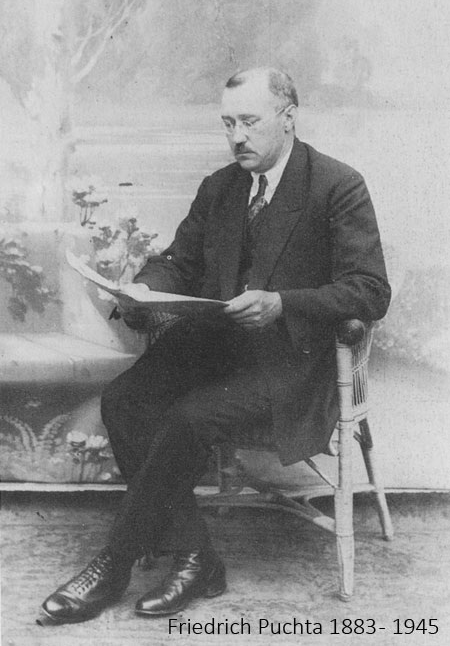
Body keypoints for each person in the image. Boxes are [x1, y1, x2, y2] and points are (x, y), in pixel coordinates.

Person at [41, 67, 390, 624]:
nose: (237, 137)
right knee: (124, 400)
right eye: (228, 124)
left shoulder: (336, 185)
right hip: (218, 348)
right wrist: (143, 288)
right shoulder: (222, 187)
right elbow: (179, 261)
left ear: (288, 117)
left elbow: (370, 290)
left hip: (292, 363)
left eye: (249, 121)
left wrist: (283, 302)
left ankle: (114, 562)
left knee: (188, 416)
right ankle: (196, 555)